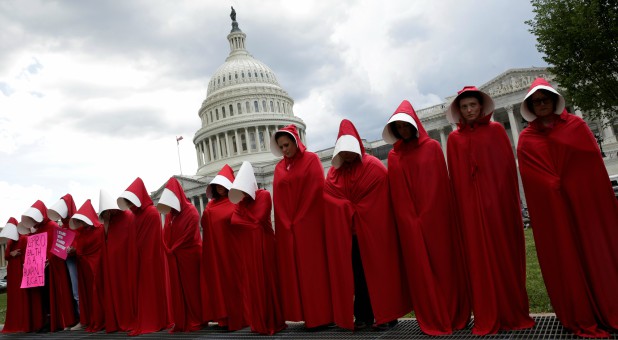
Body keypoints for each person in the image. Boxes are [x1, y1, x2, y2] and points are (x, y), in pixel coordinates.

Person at [517, 78, 618, 337]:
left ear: (554, 100)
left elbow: (590, 165)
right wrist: (553, 184)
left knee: (596, 251)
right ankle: (579, 310)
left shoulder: (577, 125)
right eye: (536, 101)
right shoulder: (526, 138)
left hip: (585, 205)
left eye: (545, 99)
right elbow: (532, 176)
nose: (541, 104)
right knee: (566, 254)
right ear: (530, 105)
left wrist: (572, 185)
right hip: (555, 210)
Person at [445, 86, 534, 335]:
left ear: (481, 106)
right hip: (471, 213)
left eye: (473, 105)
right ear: (459, 111)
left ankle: (512, 312)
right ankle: (487, 313)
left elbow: (506, 174)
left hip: (498, 209)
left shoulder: (496, 131)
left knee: (504, 255)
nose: (470, 110)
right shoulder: (453, 140)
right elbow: (457, 182)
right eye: (464, 107)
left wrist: (503, 204)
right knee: (478, 261)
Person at [383, 100, 470, 335]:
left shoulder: (431, 147)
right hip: (410, 223)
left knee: (444, 264)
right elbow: (398, 194)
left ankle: (453, 313)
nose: (402, 131)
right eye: (398, 127)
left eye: (405, 125)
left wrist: (428, 215)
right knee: (420, 270)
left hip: (436, 219)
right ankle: (432, 314)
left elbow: (439, 186)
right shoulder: (393, 156)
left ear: (414, 125)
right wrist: (410, 219)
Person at [324, 119, 411, 331]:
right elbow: (328, 197)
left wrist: (355, 208)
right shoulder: (334, 173)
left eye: (350, 150)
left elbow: (382, 199)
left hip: (375, 232)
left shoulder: (373, 167)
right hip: (350, 235)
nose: (346, 155)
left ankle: (388, 315)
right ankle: (363, 314)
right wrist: (346, 207)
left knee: (380, 272)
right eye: (342, 151)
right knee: (358, 275)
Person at [271, 124, 333, 329]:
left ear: (296, 141)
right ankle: (307, 314)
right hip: (289, 228)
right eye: (281, 147)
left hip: (310, 226)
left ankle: (322, 315)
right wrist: (285, 223)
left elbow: (315, 191)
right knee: (297, 271)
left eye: (287, 145)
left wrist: (299, 220)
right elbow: (278, 199)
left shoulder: (312, 159)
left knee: (314, 270)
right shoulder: (279, 167)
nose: (284, 150)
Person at [228, 161, 287, 335]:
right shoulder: (241, 202)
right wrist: (249, 220)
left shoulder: (264, 195)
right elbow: (234, 221)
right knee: (252, 283)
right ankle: (258, 321)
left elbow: (259, 219)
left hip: (264, 245)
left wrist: (246, 219)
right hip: (248, 246)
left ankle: (271, 321)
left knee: (267, 281)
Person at [117, 177, 171, 335]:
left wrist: (144, 258)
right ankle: (149, 318)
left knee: (151, 288)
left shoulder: (152, 213)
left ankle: (156, 319)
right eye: (129, 202)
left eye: (132, 202)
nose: (131, 206)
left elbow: (153, 242)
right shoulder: (135, 216)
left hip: (150, 260)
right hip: (139, 259)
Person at [20, 200, 77, 332]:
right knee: (44, 294)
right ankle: (49, 319)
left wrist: (49, 259)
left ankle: (56, 320)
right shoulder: (38, 230)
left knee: (53, 292)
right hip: (41, 269)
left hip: (53, 268)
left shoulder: (52, 227)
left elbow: (59, 247)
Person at [201, 164, 246, 330]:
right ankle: (224, 317)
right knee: (220, 283)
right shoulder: (210, 206)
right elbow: (205, 223)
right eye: (217, 184)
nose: (219, 187)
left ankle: (241, 316)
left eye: (223, 184)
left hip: (233, 248)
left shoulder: (237, 200)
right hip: (216, 250)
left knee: (235, 282)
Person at [158, 177, 203, 332]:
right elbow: (165, 232)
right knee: (177, 289)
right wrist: (167, 246)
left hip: (189, 256)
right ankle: (182, 320)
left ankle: (196, 318)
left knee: (192, 290)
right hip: (175, 256)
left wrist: (173, 247)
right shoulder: (171, 214)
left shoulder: (191, 211)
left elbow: (189, 234)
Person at [98, 189, 137, 333]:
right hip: (114, 264)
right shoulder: (110, 221)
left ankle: (130, 317)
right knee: (116, 290)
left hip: (126, 262)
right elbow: (107, 241)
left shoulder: (127, 216)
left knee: (126, 290)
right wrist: (106, 223)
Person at [1, 217, 44, 333]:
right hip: (13, 273)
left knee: (24, 297)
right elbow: (6, 256)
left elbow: (30, 256)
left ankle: (25, 323)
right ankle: (17, 322)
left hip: (21, 272)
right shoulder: (10, 242)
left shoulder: (24, 239)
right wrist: (11, 253)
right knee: (15, 298)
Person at [69, 199, 105, 332]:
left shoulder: (100, 229)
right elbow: (78, 247)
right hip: (84, 268)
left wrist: (76, 250)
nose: (81, 223)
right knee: (86, 294)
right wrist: (72, 250)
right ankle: (87, 319)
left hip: (97, 267)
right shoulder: (80, 232)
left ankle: (101, 318)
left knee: (98, 293)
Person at [47, 194, 80, 328]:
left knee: (76, 290)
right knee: (70, 290)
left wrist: (75, 249)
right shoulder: (62, 226)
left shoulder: (76, 223)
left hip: (74, 260)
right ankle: (75, 318)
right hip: (63, 260)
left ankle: (82, 318)